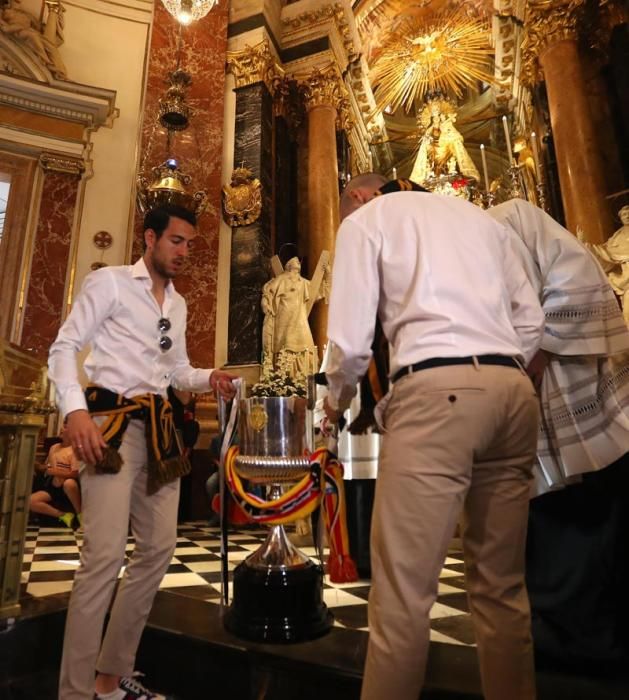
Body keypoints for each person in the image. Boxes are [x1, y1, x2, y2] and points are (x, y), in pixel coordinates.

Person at [323, 173, 544, 700]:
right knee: (502, 589)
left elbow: (351, 343)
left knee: (402, 596)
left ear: (357, 196)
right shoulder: (483, 221)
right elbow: (532, 320)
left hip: (437, 393)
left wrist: (334, 401)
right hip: (513, 393)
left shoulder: (368, 221)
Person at [48, 204, 236, 700]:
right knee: (104, 557)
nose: (184, 252)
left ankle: (110, 679)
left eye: (191, 244)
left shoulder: (177, 304)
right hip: (108, 427)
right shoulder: (109, 282)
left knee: (158, 549)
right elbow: (64, 347)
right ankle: (73, 692)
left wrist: (208, 378)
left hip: (159, 433)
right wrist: (74, 412)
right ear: (150, 238)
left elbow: (174, 372)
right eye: (176, 241)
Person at [489, 198, 629, 665]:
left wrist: (542, 346)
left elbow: (577, 277)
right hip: (516, 397)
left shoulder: (510, 216)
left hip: (568, 379)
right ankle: (559, 637)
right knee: (542, 513)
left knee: (587, 502)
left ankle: (588, 641)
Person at [261, 257, 319, 381]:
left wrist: (327, 274)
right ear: (288, 265)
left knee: (305, 343)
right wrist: (265, 302)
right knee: (286, 344)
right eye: (295, 260)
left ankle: (303, 378)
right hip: (284, 318)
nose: (298, 262)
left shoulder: (303, 282)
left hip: (299, 318)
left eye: (299, 261)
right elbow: (268, 292)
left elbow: (318, 292)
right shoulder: (281, 279)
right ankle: (285, 376)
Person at [580, 205, 629, 325]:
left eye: (628, 213)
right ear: (620, 219)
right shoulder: (617, 238)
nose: (627, 216)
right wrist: (585, 245)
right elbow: (604, 254)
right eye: (624, 214)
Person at [30, 428, 81, 529]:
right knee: (31, 501)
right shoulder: (54, 447)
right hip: (53, 485)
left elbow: (75, 474)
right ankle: (64, 516)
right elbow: (47, 466)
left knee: (69, 483)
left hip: (69, 485)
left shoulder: (75, 450)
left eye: (66, 428)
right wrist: (37, 465)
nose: (61, 429)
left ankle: (81, 516)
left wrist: (54, 471)